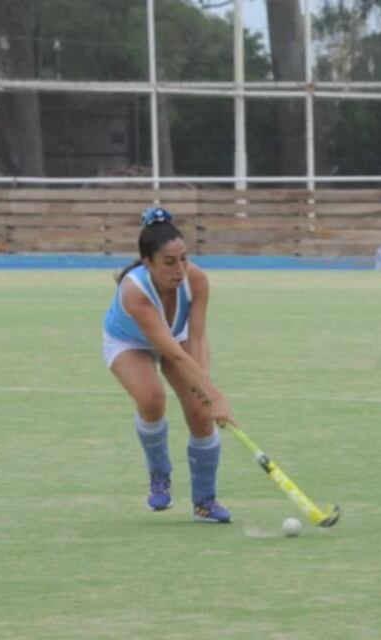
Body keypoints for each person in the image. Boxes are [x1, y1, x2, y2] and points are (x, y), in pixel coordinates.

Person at [103, 207, 235, 523]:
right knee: (152, 400)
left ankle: (205, 502)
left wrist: (205, 389)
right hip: (129, 342)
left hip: (179, 338)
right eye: (169, 262)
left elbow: (198, 337)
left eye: (184, 259)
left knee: (200, 411)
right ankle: (159, 473)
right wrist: (215, 396)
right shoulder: (136, 292)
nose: (180, 269)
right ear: (148, 262)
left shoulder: (197, 280)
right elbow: (172, 354)